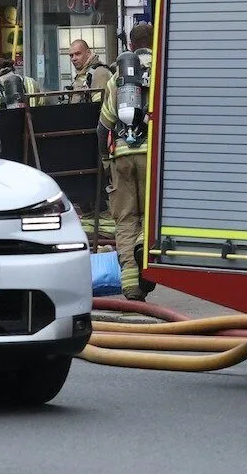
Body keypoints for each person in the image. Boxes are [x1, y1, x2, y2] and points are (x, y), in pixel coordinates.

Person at [98, 21, 153, 301]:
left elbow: (104, 124)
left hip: (121, 155)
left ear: (130, 45)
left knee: (125, 219)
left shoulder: (117, 75)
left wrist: (104, 160)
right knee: (151, 213)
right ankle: (145, 246)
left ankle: (131, 287)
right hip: (152, 156)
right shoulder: (162, 67)